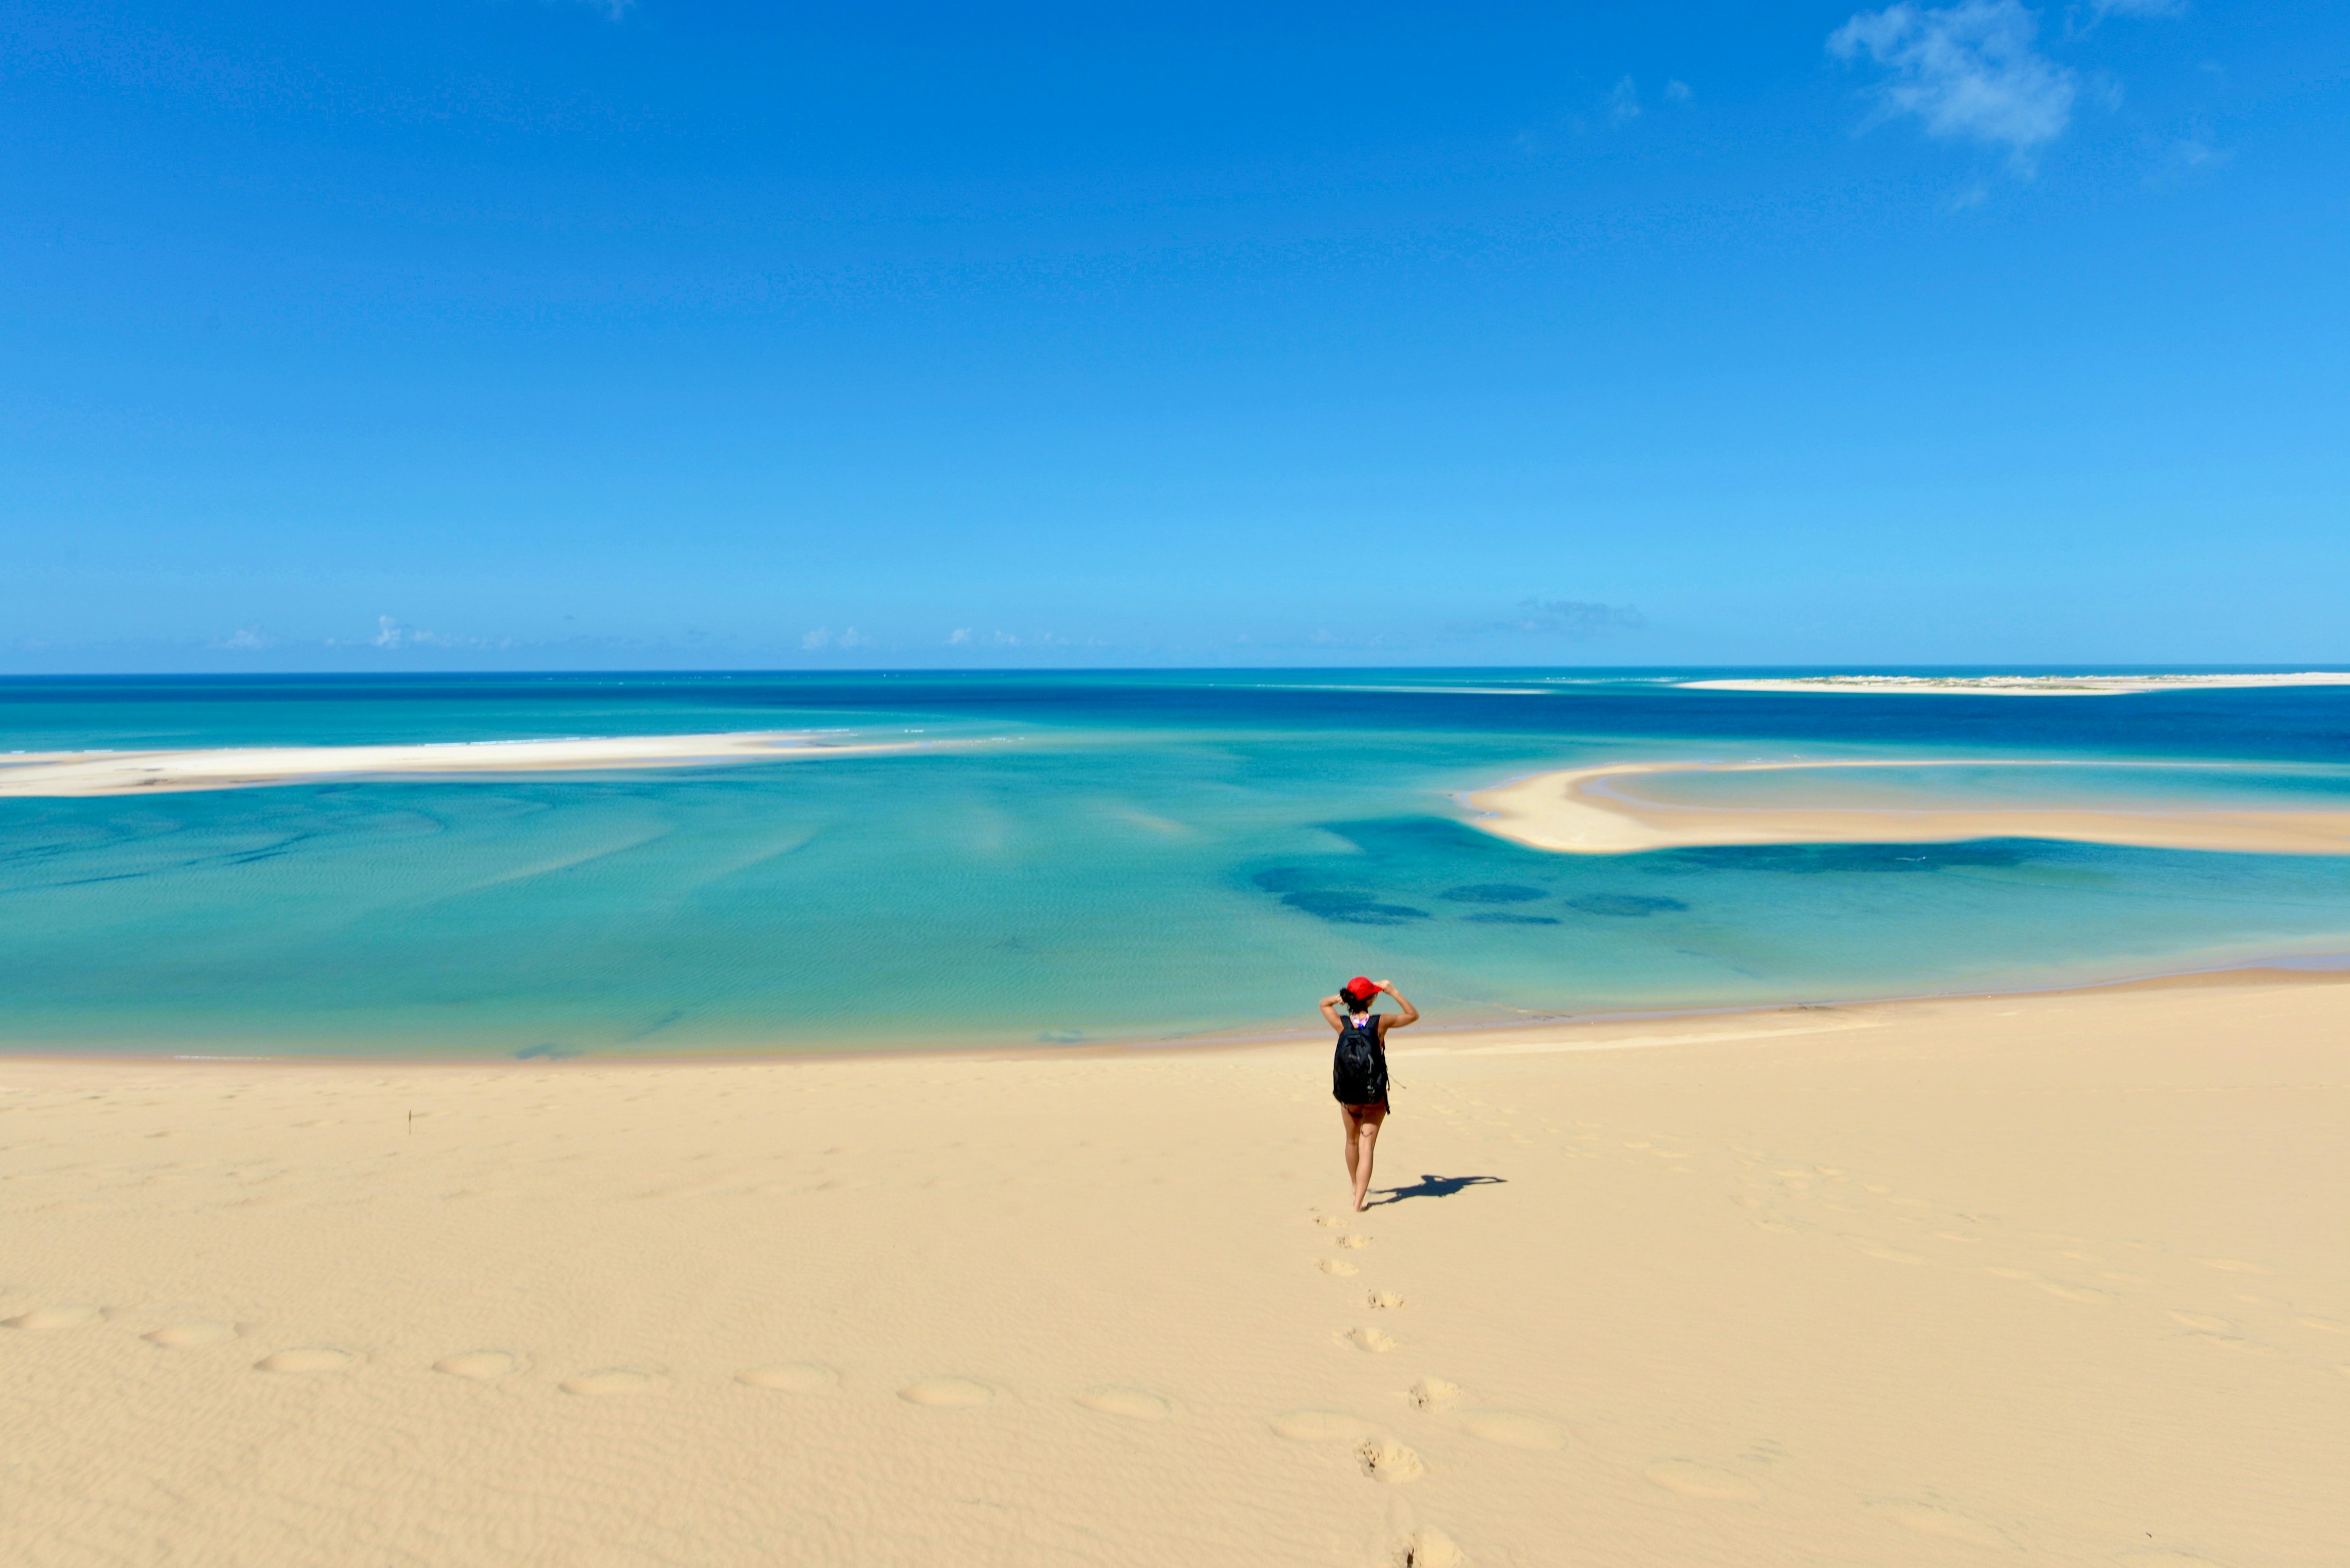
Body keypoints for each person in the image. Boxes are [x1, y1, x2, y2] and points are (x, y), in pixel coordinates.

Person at [1320, 976, 1419, 1211]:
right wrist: (1393, 991)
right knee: (1367, 1146)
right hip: (1374, 1096)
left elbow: (1323, 1004)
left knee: (1352, 1141)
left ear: (1350, 1000)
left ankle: (1355, 1184)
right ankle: (1358, 1202)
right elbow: (1413, 1015)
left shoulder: (1342, 1024)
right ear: (1372, 998)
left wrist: (1339, 998)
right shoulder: (1380, 1022)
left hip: (1349, 1095)